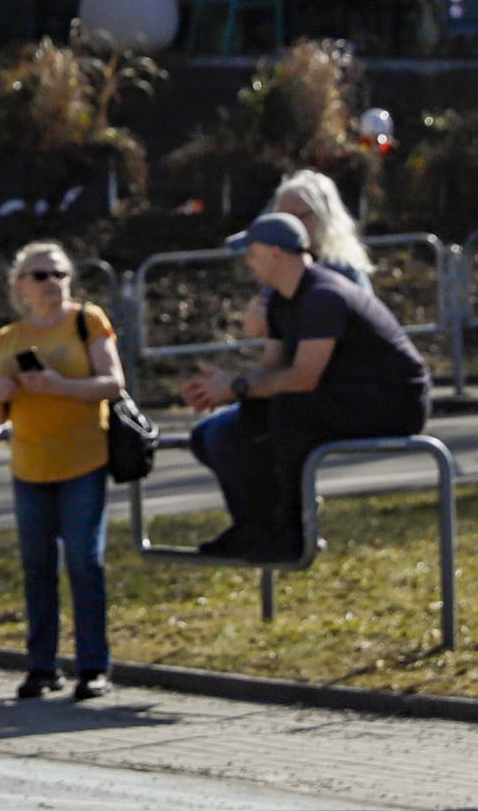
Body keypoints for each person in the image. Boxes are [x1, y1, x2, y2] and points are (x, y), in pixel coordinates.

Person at [176, 211, 429, 563]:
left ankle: (292, 533)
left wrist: (234, 386)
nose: (247, 261)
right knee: (217, 432)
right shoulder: (282, 300)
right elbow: (271, 370)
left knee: (288, 410)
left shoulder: (323, 296)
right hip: (338, 396)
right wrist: (220, 387)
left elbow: (301, 379)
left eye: (252, 252)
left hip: (392, 402)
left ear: (277, 254)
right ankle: (253, 528)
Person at [0, 241, 125, 701]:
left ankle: (93, 667)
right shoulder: (8, 338)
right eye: (41, 275)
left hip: (83, 459)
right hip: (29, 464)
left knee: (85, 563)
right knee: (36, 567)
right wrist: (0, 393)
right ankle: (41, 665)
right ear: (20, 285)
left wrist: (61, 385)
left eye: (61, 274)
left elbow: (113, 383)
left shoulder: (87, 321)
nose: (54, 283)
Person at [186, 170, 373, 509]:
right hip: (296, 390)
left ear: (321, 217)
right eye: (279, 216)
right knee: (206, 434)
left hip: (331, 395)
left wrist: (239, 386)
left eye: (294, 216)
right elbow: (272, 351)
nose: (286, 225)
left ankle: (282, 521)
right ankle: (265, 523)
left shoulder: (338, 276)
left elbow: (316, 359)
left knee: (227, 435)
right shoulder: (285, 270)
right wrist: (231, 385)